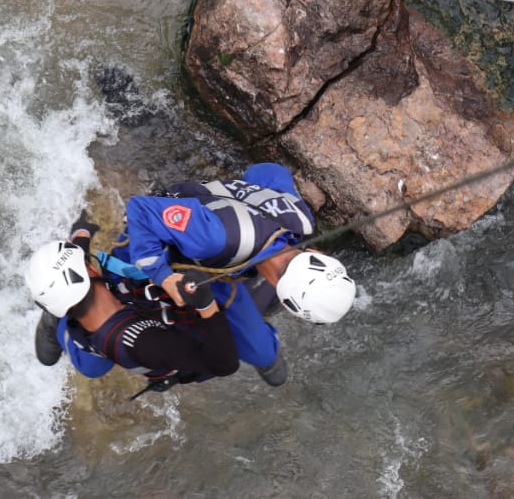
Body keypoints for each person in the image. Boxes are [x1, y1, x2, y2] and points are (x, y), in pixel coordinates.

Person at [116, 162, 356, 386]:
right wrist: (163, 276)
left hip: (219, 268)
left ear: (314, 251)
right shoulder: (211, 238)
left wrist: (243, 195)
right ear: (283, 299)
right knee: (106, 331)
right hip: (157, 246)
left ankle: (264, 353)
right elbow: (140, 209)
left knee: (263, 353)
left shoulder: (300, 219)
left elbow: (268, 172)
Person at [24, 217, 239, 397]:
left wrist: (82, 231)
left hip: (97, 314)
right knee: (92, 367)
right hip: (133, 337)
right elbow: (224, 364)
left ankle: (58, 313)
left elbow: (79, 267)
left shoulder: (93, 289)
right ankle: (56, 323)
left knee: (91, 364)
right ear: (91, 271)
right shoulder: (140, 340)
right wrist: (205, 304)